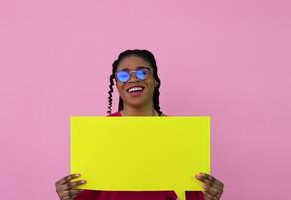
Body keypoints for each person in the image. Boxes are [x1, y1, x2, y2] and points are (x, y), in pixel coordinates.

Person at [55, 49, 224, 200]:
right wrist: (68, 194)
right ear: (116, 84)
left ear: (156, 80)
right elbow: (88, 192)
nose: (134, 78)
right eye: (123, 74)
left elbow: (191, 194)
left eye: (142, 72)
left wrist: (209, 196)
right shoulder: (98, 133)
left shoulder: (181, 133)